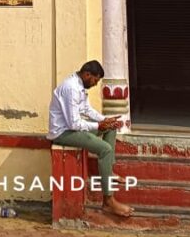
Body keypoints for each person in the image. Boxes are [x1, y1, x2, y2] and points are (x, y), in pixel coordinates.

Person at [48, 60, 132, 218]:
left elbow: (86, 109)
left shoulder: (79, 85)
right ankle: (108, 201)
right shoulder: (71, 88)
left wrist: (105, 120)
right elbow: (73, 123)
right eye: (95, 80)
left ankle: (108, 172)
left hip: (72, 129)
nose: (95, 84)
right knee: (105, 150)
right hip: (62, 133)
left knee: (111, 127)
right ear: (87, 75)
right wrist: (98, 126)